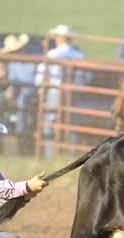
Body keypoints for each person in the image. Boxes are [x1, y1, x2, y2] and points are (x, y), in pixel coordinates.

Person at [35, 25, 86, 158]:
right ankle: (73, 154)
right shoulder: (79, 55)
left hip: (55, 90)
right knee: (72, 121)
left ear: (59, 38)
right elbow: (84, 76)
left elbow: (41, 74)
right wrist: (77, 89)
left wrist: (41, 87)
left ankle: (49, 154)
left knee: (49, 120)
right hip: (73, 91)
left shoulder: (52, 54)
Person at [0, 33, 36, 136]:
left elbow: (33, 80)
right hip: (17, 87)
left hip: (30, 88)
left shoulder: (32, 60)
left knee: (22, 99)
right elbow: (12, 80)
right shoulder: (13, 62)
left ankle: (20, 131)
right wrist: (10, 90)